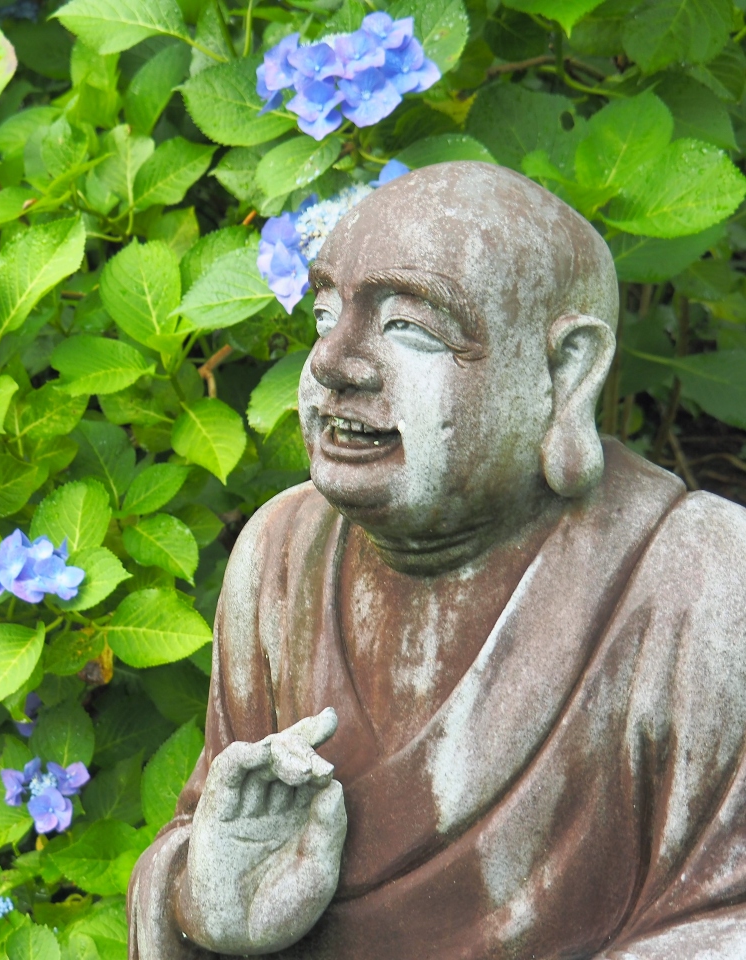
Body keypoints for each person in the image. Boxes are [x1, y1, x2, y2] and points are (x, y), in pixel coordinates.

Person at [128, 161, 746, 959]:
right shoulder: (282, 552)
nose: (334, 366)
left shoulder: (700, 582)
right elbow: (201, 833)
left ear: (567, 371)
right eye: (324, 316)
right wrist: (206, 898)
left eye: (410, 329)